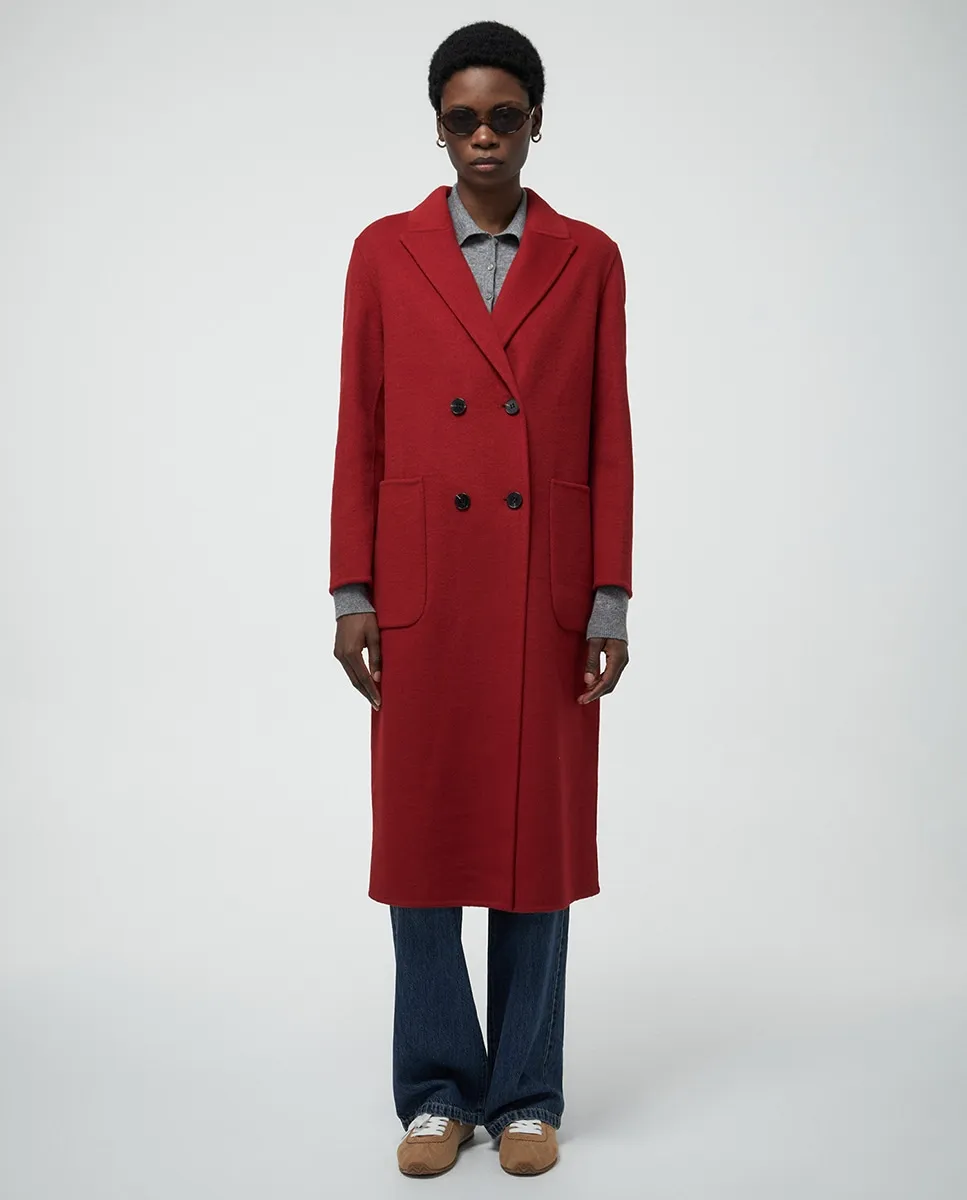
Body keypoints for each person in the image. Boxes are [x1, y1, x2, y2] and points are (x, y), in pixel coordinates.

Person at [329, 20, 634, 1178]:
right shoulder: (383, 252)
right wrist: (350, 587)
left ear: (535, 122)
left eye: (504, 116)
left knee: (535, 844)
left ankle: (526, 1095)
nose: (484, 138)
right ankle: (434, 1092)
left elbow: (608, 436)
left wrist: (608, 599)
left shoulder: (589, 258)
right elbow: (358, 426)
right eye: (462, 119)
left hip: (542, 584)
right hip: (422, 586)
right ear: (438, 129)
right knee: (422, 840)